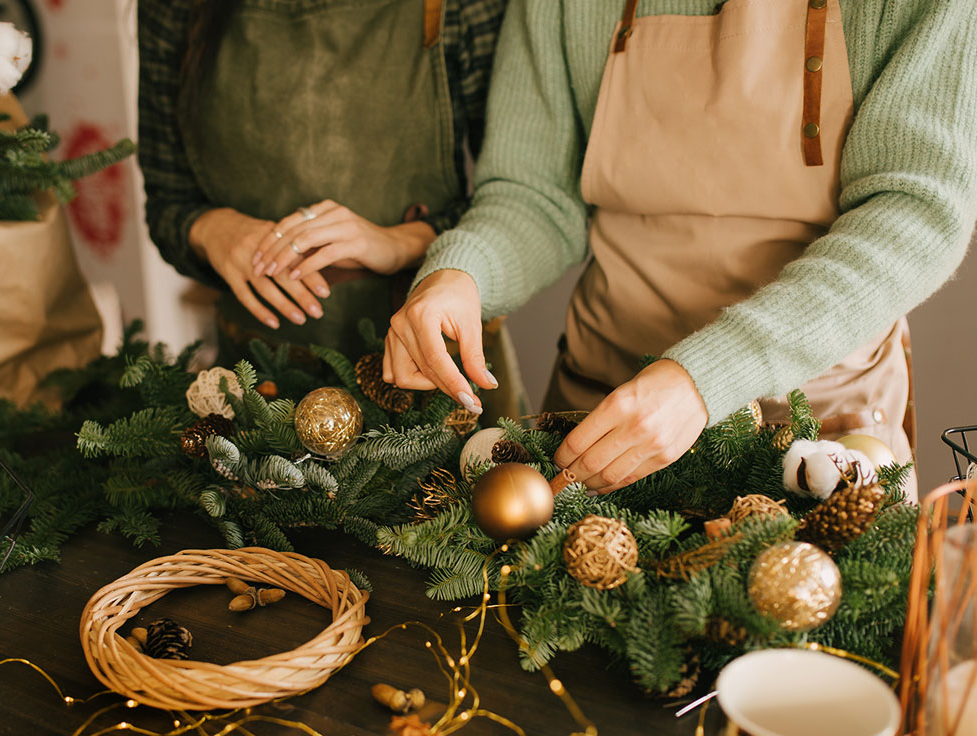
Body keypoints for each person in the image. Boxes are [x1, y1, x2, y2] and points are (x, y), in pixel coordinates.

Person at [385, 0, 977, 495]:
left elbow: (916, 208)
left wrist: (704, 378)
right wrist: (462, 272)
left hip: (819, 440)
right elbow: (534, 192)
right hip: (596, 422)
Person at [137, 0, 527, 419]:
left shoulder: (464, 6)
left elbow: (521, 199)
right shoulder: (172, 7)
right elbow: (168, 201)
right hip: (258, 394)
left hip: (436, 381)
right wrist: (209, 227)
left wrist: (402, 242)